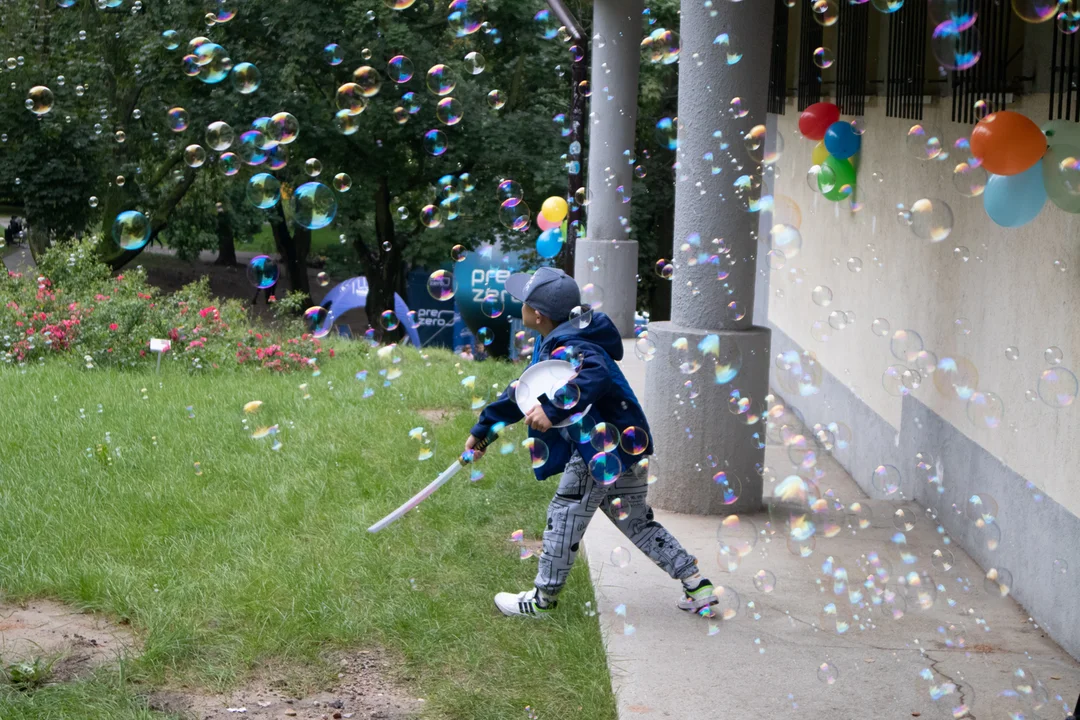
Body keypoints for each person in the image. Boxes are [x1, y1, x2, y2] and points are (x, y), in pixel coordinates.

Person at [463, 267, 717, 619]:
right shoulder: (558, 339)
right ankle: (696, 583)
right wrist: (485, 428)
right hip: (621, 447)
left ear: (538, 314)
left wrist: (552, 409)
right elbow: (523, 391)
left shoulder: (575, 345)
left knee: (564, 514)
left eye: (524, 301)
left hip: (598, 450)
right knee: (635, 521)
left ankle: (541, 601)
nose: (519, 304)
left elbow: (593, 374)